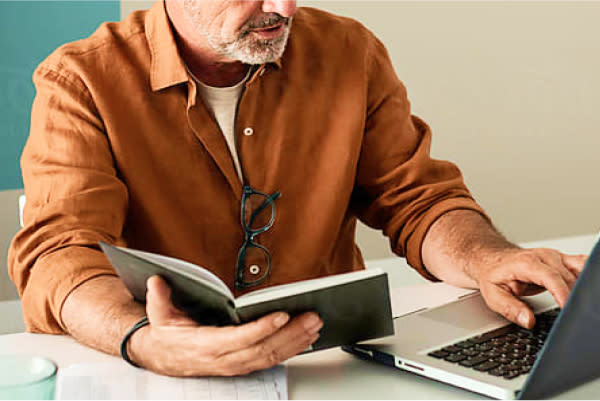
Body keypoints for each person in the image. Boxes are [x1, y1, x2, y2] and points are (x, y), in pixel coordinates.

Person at [8, 0, 586, 377]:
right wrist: (141, 339)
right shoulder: (79, 79)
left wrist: (488, 259)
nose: (282, 9)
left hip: (326, 368)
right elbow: (61, 253)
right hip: (150, 374)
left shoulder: (349, 51)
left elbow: (417, 199)